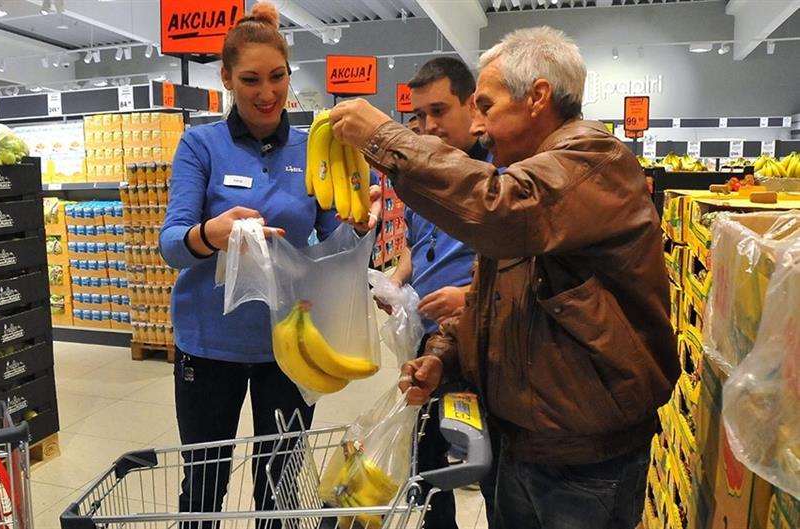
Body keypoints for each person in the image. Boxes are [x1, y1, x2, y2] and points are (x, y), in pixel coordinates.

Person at [329, 26, 679, 529]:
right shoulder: (533, 177)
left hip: (583, 461)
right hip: (523, 443)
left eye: (486, 107)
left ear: (537, 97)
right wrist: (442, 357)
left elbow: (497, 209)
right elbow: (495, 299)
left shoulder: (590, 163)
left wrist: (385, 137)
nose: (478, 124)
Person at [159, 3, 380, 527]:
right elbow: (170, 244)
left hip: (291, 341)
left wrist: (359, 223)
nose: (266, 93)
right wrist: (210, 233)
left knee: (279, 482)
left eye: (277, 77)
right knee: (205, 480)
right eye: (251, 79)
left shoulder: (313, 150)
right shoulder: (200, 145)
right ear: (227, 79)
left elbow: (330, 241)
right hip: (209, 344)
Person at [382, 57, 488, 529]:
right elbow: (413, 245)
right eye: (420, 115)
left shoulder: (497, 181)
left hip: (477, 346)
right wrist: (396, 280)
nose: (429, 126)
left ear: (473, 106)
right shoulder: (424, 179)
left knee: (484, 463)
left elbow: (523, 270)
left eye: (440, 111)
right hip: (428, 344)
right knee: (424, 468)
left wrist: (467, 297)